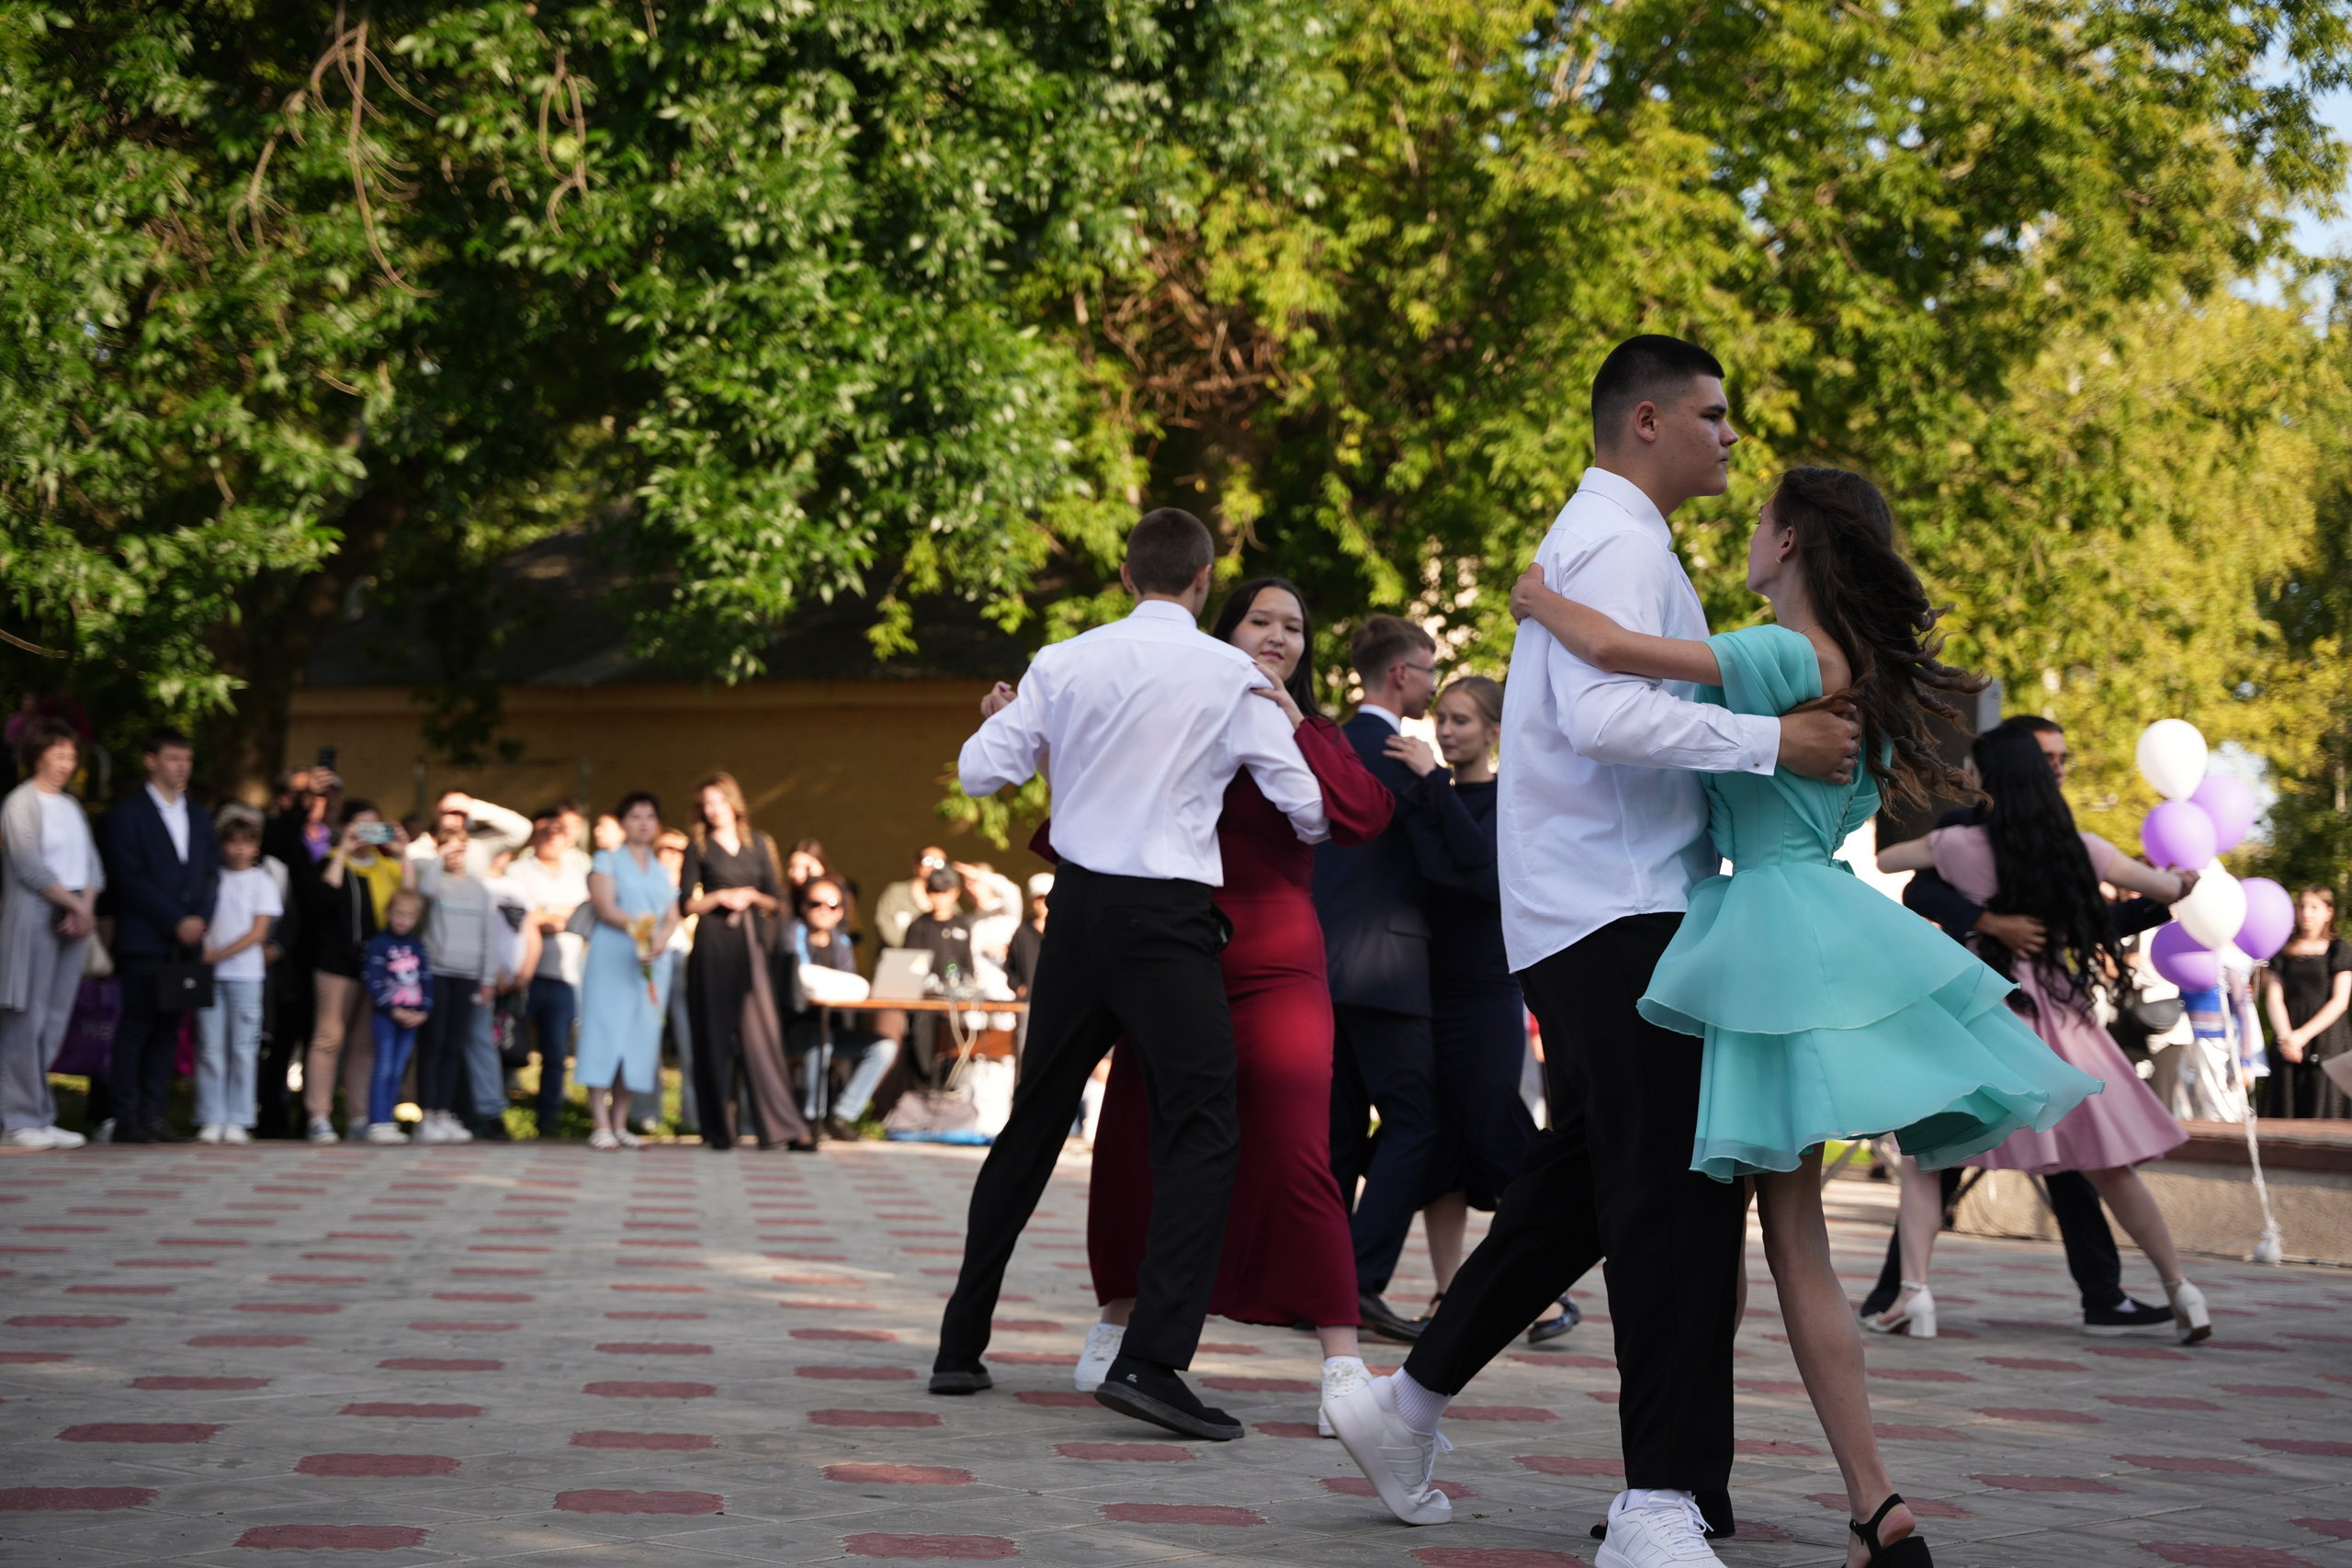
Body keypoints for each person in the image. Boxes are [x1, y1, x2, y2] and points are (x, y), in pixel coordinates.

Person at [1499, 465, 2103, 1566]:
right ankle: (1811, 1495)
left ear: (1791, 544)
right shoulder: (1863, 671)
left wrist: (1539, 601)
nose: (1745, 532)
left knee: (1745, 1244)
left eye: (1761, 521)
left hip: (1759, 940)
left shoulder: (1784, 653)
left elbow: (1622, 661)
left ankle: (1761, 1487)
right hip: (1817, 928)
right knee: (1773, 1247)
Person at [1323, 338, 1864, 1558]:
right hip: (1620, 905)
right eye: (1715, 414)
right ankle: (1660, 1500)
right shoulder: (1617, 542)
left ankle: (1405, 1406)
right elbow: (1606, 713)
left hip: (1605, 904)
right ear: (1649, 422)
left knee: (1581, 1185)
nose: (1734, 435)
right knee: (1671, 1201)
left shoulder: (1617, 540)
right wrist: (1781, 747)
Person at [933, 509, 1331, 1443]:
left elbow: (979, 774)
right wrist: (1284, 724)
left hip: (1074, 914)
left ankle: (960, 1341)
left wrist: (1020, 731)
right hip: (1165, 921)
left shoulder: (1062, 662)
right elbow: (1309, 815)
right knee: (1204, 1127)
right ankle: (1153, 1359)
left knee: (1035, 1119)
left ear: (1125, 575)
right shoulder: (1230, 674)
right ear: (1203, 581)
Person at [1079, 575, 1396, 1432]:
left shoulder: (1315, 729)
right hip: (1175, 951)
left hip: (1280, 955)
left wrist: (1296, 723)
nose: (1279, 635)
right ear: (1223, 627)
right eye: (1261, 618)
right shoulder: (1171, 709)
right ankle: (1120, 1321)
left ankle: (1341, 1359)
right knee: (1137, 1139)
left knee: (1299, 1148)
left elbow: (1366, 811)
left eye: (1295, 625)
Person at [1876, 718, 2210, 1347]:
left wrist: (1966, 879)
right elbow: (2166, 888)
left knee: (1931, 1154)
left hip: (1982, 1013)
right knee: (2109, 1166)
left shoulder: (1955, 845)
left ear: (1988, 778)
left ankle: (1914, 1294)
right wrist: (2179, 885)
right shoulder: (2080, 849)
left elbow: (1892, 860)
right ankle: (2181, 1289)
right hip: (2059, 1015)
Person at [1383, 676, 1573, 1346]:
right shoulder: (1428, 791)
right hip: (1427, 987)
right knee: (1438, 1140)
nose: (1447, 730)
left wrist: (1434, 784)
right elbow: (1439, 871)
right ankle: (1445, 1290)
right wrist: (1430, 791)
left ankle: (1547, 1288)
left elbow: (1478, 864)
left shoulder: (1513, 798)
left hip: (1490, 989)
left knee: (1498, 1130)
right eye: (1443, 718)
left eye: (1462, 720)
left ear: (1494, 730)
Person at [1314, 615, 1456, 1343]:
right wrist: (1442, 787)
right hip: (1390, 966)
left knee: (1336, 1136)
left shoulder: (1327, 744)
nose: (1433, 683)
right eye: (1429, 670)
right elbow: (1446, 865)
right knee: (1416, 1122)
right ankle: (1360, 1280)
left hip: (1319, 966)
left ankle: (1321, 1288)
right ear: (1399, 673)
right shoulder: (1404, 754)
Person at [677, 773, 810, 1151]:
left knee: (762, 1034)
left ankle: (783, 1128)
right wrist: (720, 898)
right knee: (713, 1035)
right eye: (706, 804)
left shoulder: (760, 844)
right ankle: (719, 1127)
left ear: (734, 803)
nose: (712, 810)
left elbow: (779, 901)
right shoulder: (697, 846)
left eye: (718, 802)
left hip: (751, 943)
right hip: (713, 944)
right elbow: (686, 903)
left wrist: (751, 896)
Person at [102, 728, 221, 1143]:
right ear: (151, 761)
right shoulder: (126, 815)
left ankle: (155, 1114)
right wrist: (175, 919)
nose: (182, 766)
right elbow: (128, 878)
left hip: (188, 941)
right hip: (145, 937)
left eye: (186, 759)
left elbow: (211, 873)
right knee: (137, 1025)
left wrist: (200, 919)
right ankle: (126, 1116)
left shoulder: (201, 816)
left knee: (170, 1029)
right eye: (173, 758)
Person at [0, 717, 97, 1150]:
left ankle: (41, 1114)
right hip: (37, 914)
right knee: (27, 1019)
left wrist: (86, 906)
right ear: (37, 755)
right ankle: (17, 1117)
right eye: (58, 755)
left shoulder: (73, 806)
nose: (66, 764)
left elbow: (92, 863)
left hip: (72, 920)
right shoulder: (20, 803)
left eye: (72, 756)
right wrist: (74, 904)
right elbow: (27, 864)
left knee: (54, 1021)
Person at [577, 792, 680, 1151]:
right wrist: (641, 929)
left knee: (639, 1037)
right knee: (604, 1032)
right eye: (635, 816)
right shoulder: (607, 859)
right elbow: (605, 907)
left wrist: (661, 940)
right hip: (613, 956)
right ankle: (600, 1122)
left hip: (652, 961)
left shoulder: (661, 868)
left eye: (650, 816)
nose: (643, 823)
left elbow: (672, 915)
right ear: (622, 823)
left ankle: (621, 1123)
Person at [302, 800, 408, 1141]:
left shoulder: (386, 866)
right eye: (359, 828)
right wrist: (342, 851)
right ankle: (318, 1115)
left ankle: (359, 1116)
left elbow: (410, 898)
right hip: (336, 964)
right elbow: (322, 900)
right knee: (328, 1038)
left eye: (373, 828)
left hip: (375, 966)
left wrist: (403, 853)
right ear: (346, 828)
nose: (366, 836)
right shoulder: (331, 862)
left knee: (365, 1044)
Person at [404, 826, 498, 1145]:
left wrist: (487, 979)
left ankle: (444, 1113)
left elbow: (489, 937)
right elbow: (426, 888)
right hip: (437, 972)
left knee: (454, 1046)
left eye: (462, 849)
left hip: (468, 975)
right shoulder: (435, 881)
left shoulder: (480, 890)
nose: (457, 856)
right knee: (432, 1044)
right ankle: (426, 1115)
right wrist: (439, 857)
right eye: (450, 850)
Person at [195, 809, 281, 1144]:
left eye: (247, 844)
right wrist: (205, 950)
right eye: (233, 843)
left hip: (246, 975)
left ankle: (240, 1117)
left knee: (243, 1048)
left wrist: (219, 954)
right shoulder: (212, 878)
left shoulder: (262, 882)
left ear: (257, 847)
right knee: (210, 1047)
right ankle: (211, 1116)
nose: (240, 850)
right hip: (212, 975)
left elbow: (259, 931)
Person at [786, 874, 894, 1138]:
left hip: (832, 1028)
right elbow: (802, 978)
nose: (824, 910)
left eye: (833, 905)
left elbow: (851, 987)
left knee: (883, 1047)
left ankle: (841, 1116)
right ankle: (812, 1119)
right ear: (802, 906)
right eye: (816, 904)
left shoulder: (843, 943)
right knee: (821, 1041)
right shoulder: (793, 933)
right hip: (793, 1029)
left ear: (841, 912)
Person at [507, 813, 590, 1138]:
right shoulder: (518, 871)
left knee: (555, 1054)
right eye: (544, 831)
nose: (552, 836)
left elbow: (581, 917)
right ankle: (493, 1114)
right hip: (522, 975)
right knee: (507, 1047)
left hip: (564, 977)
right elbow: (521, 917)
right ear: (533, 837)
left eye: (558, 831)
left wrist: (545, 914)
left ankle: (548, 1122)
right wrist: (556, 915)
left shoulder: (580, 874)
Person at [2262, 886, 2351, 1119]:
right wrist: (2286, 1038)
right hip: (2288, 1033)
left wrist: (2302, 1035)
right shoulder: (2283, 949)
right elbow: (2273, 996)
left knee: (2324, 1104)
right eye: (2302, 906)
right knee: (2286, 1104)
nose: (2306, 913)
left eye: (2314, 907)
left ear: (2328, 913)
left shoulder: (2338, 949)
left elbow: (2340, 1001)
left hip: (2327, 1037)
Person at [358, 889, 432, 1143]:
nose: (403, 920)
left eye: (410, 916)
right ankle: (377, 1121)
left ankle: (388, 1120)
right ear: (389, 912)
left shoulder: (417, 946)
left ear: (417, 918)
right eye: (399, 914)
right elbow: (373, 982)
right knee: (384, 1066)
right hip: (386, 1016)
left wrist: (424, 1011)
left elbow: (425, 980)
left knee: (399, 1068)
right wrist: (393, 1009)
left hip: (412, 1017)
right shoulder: (378, 943)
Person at [655, 829, 698, 1135]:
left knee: (691, 1045)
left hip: (687, 964)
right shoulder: (644, 881)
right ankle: (646, 1113)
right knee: (647, 1040)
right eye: (667, 848)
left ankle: (693, 1116)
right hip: (652, 962)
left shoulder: (698, 888)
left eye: (681, 850)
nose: (673, 855)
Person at [875, 846, 949, 948]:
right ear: (917, 864)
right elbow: (883, 921)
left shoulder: (948, 896)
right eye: (928, 861)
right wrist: (910, 946)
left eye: (939, 863)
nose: (933, 867)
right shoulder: (896, 892)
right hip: (899, 957)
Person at [1006, 874, 1050, 998]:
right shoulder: (1022, 932)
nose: (1042, 903)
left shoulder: (1064, 931)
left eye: (1046, 898)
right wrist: (1018, 986)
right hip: (1029, 1001)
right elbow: (1009, 965)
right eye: (1038, 899)